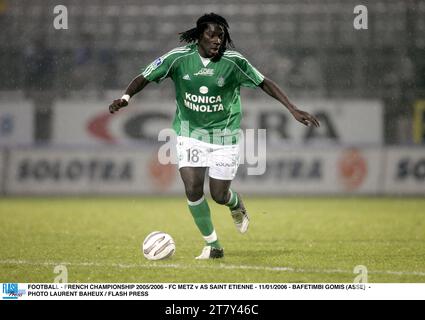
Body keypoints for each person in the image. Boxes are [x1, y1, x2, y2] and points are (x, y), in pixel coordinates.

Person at [109, 13, 320, 259]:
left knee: (219, 195)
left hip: (224, 136)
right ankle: (214, 245)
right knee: (192, 188)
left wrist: (292, 108)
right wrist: (125, 98)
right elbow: (144, 76)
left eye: (221, 36)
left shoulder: (234, 62)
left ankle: (235, 204)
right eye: (211, 35)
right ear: (199, 36)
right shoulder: (178, 58)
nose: (217, 40)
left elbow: (264, 83)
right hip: (189, 133)